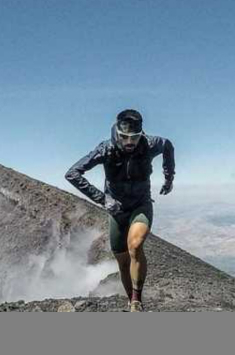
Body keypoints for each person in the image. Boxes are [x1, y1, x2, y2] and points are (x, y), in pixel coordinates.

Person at [64, 109, 175, 312]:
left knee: (135, 245)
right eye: (125, 137)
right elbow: (72, 173)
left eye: (134, 137)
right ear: (118, 133)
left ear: (141, 134)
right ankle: (131, 300)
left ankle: (136, 302)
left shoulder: (150, 144)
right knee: (122, 261)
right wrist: (101, 198)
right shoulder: (106, 149)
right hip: (117, 211)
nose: (130, 142)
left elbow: (167, 145)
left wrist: (169, 178)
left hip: (141, 204)